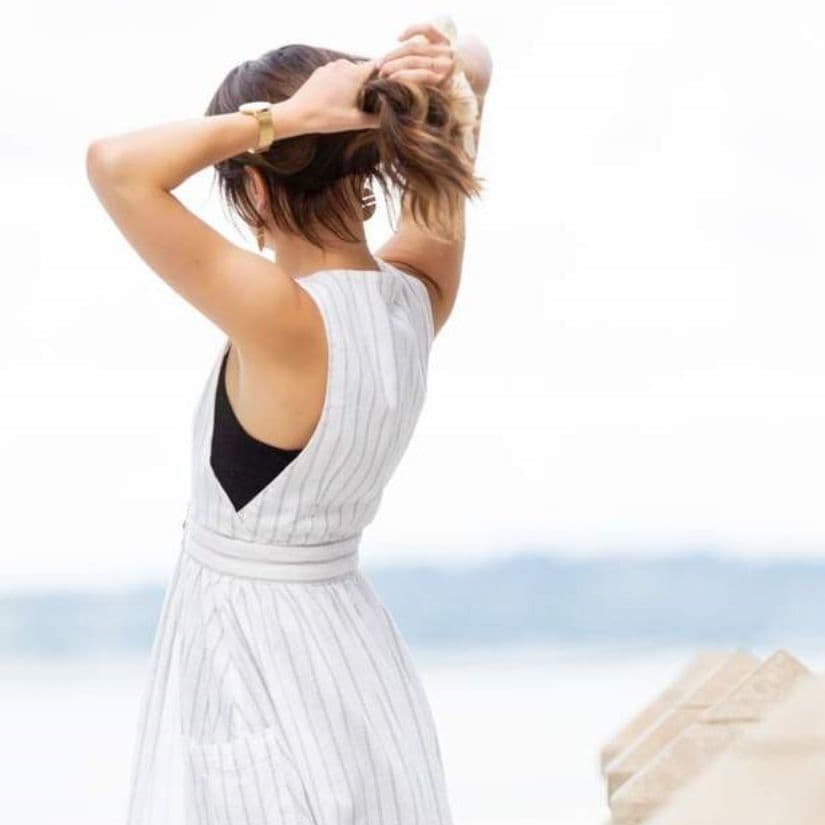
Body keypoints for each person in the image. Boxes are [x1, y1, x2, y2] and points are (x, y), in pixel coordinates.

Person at [87, 17, 492, 825]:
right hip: (353, 657)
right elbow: (473, 69)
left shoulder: (283, 317)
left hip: (253, 662)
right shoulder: (416, 297)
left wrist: (285, 117)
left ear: (255, 190)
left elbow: (115, 166)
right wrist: (431, 75)